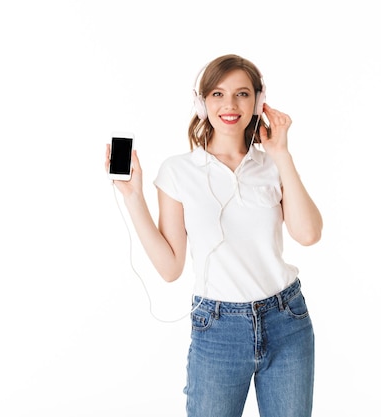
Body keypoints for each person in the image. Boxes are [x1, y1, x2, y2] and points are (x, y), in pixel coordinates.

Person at [105, 54, 323, 417]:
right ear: (201, 102)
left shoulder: (273, 164)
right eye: (218, 94)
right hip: (219, 329)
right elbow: (170, 267)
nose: (230, 105)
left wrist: (281, 152)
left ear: (258, 102)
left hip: (287, 321)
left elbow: (309, 233)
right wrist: (133, 198)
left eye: (241, 94)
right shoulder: (177, 171)